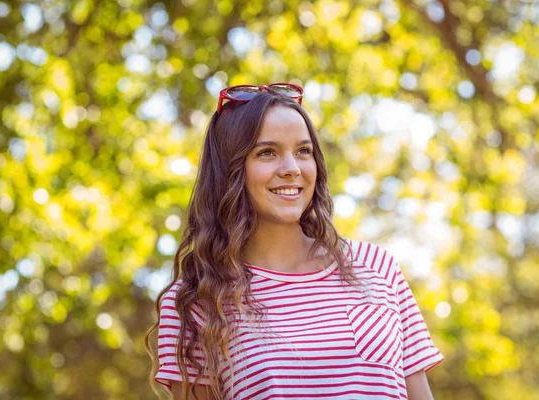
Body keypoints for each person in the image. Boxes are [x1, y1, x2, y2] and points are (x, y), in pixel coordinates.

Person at [145, 83, 443, 400]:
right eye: (267, 152)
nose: (291, 169)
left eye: (303, 151)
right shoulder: (198, 298)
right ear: (230, 171)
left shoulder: (378, 268)